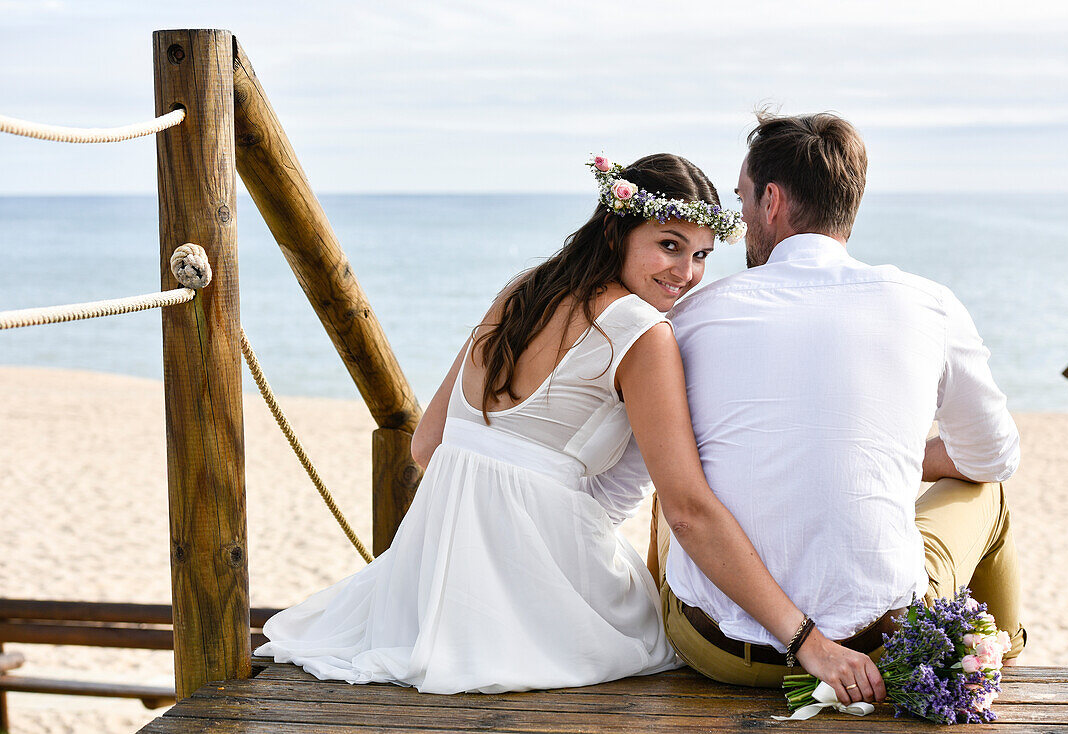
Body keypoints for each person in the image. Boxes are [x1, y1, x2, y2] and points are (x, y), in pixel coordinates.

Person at [256, 152, 876, 695]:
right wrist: (808, 641)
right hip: (541, 582)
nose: (685, 274)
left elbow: (427, 444)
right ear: (617, 229)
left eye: (702, 256)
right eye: (668, 244)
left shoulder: (521, 290)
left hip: (429, 584)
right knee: (661, 622)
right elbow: (686, 507)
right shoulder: (643, 332)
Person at [586, 112, 1024, 704]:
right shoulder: (929, 305)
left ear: (771, 201)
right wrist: (891, 457)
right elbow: (994, 456)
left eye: (741, 198)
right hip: (879, 647)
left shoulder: (690, 317)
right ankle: (991, 659)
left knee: (676, 487)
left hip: (722, 654)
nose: (739, 221)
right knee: (989, 494)